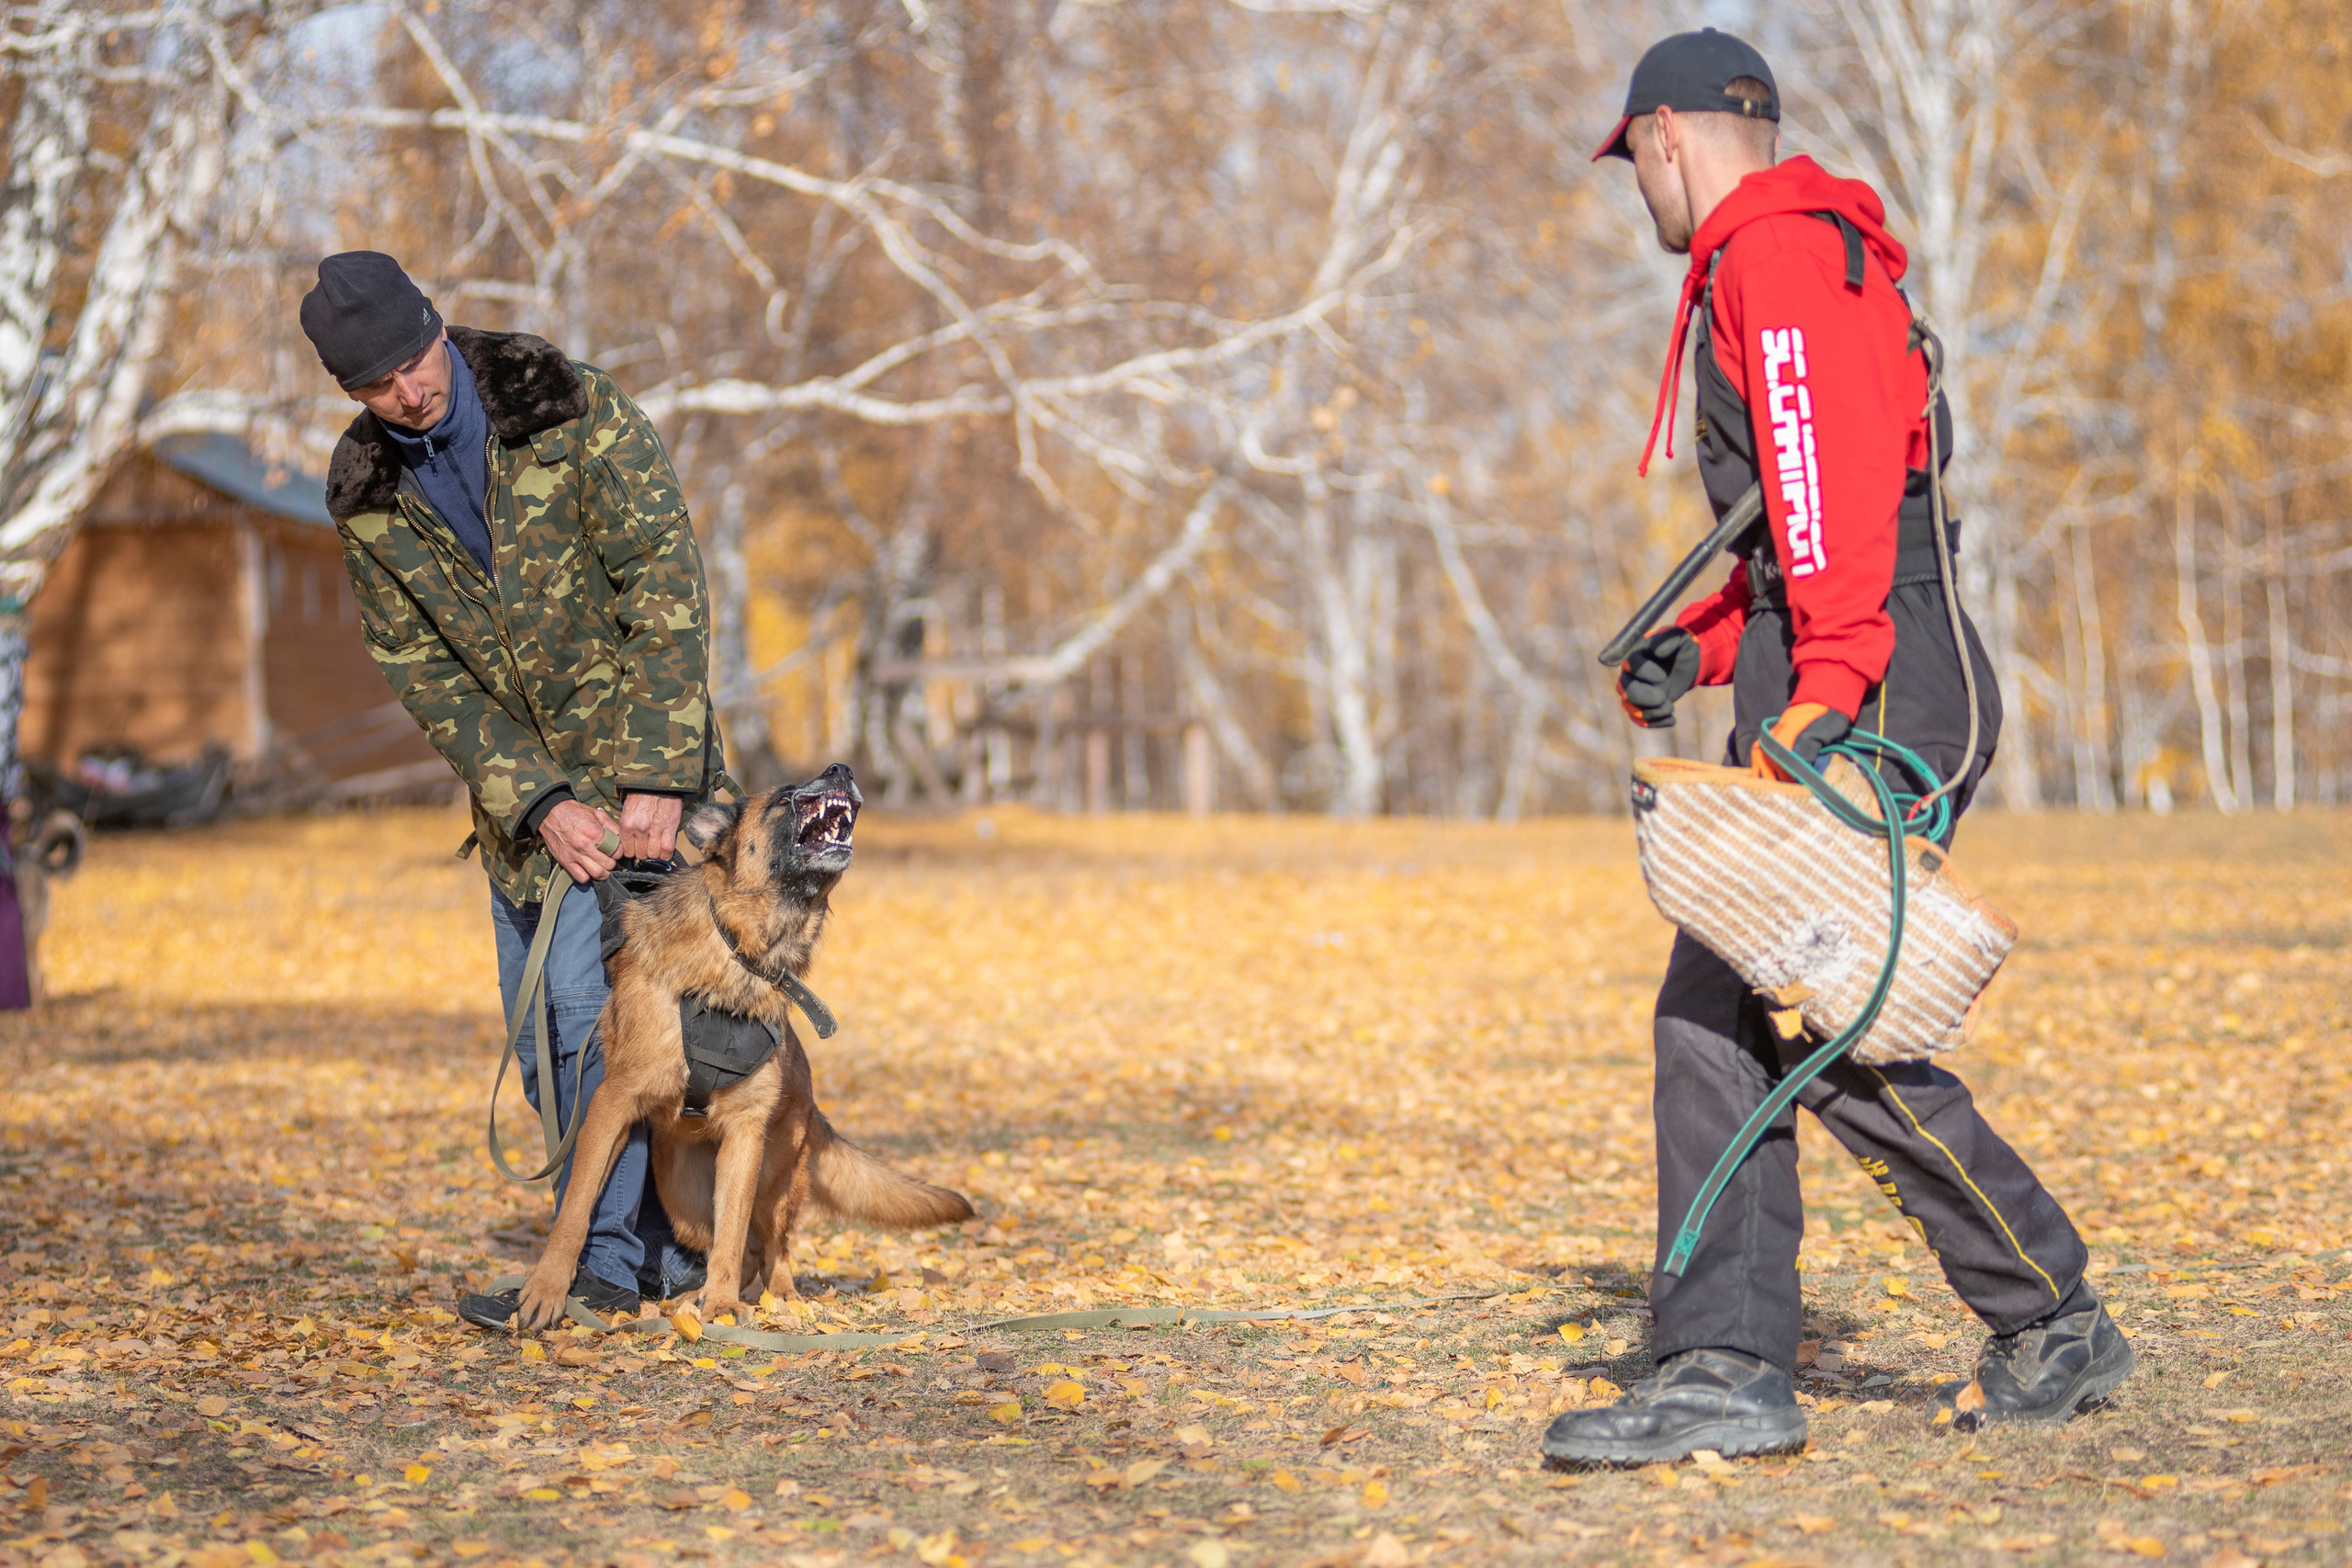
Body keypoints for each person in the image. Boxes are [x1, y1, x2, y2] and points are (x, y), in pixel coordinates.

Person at [1544, 32, 2132, 1465]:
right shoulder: (1807, 247)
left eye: (1636, 165)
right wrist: (1715, 640)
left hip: (1868, 686)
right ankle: (1781, 1350)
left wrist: (1830, 679)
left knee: (1822, 1013)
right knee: (1755, 1015)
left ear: (1667, 138)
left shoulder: (1779, 255)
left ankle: (1954, 1325)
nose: (1640, 194)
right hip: (1854, 662)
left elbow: (1823, 477)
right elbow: (1811, 519)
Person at [301, 252, 716, 1326]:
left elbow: (662, 581)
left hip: (637, 781)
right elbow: (420, 669)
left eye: (413, 361)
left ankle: (603, 1269)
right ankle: (670, 1251)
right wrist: (535, 798)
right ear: (349, 393)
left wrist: (655, 775)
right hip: (523, 813)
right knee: (540, 1047)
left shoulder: (570, 410)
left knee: (597, 1019)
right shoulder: (367, 495)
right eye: (377, 384)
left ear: (437, 327)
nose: (409, 391)